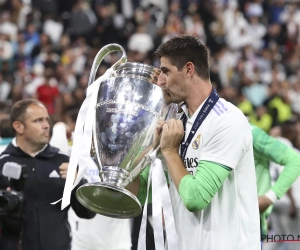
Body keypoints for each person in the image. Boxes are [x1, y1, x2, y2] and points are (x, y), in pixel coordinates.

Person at [134, 35, 261, 250]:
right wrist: (151, 143)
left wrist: (169, 151)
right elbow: (136, 192)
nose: (160, 81)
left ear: (189, 69)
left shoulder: (227, 119)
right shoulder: (176, 125)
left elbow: (196, 199)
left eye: (165, 71)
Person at [0, 99, 95, 250]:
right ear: (19, 127)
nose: (46, 126)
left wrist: (78, 183)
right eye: (38, 121)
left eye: (46, 120)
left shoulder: (63, 161)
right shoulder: (2, 164)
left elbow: (88, 213)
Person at [251, 121, 300, 243]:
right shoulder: (285, 147)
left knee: (276, 238)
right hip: (284, 200)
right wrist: (292, 203)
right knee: (294, 239)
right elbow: (285, 173)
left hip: (268, 198)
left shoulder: (270, 143)